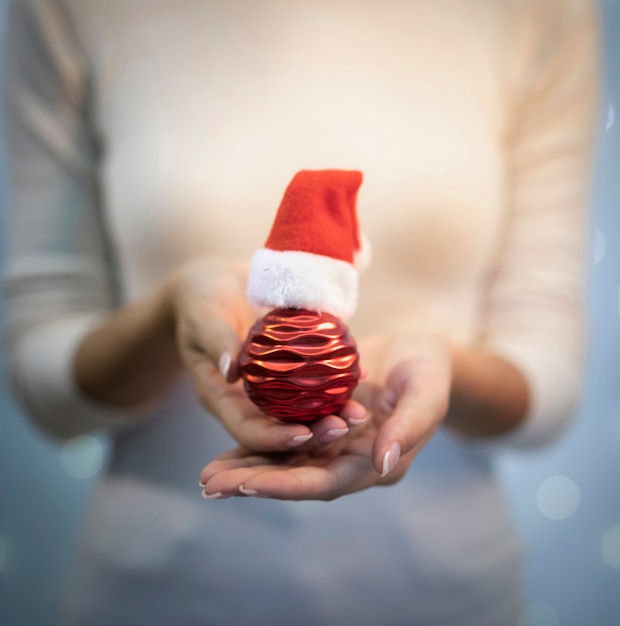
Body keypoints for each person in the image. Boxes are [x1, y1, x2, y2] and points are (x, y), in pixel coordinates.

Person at [2, 0, 599, 624]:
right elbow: (46, 381)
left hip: (442, 597)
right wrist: (167, 320)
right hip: (156, 596)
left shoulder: (543, 11)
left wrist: (443, 364)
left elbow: (547, 377)